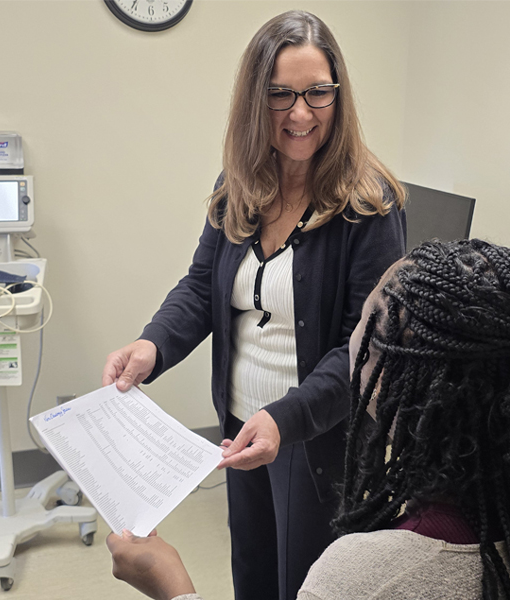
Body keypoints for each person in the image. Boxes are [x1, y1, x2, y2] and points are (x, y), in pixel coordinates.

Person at [106, 239, 510, 600]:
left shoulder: (357, 578)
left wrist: (171, 585)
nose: (349, 343)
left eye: (363, 328)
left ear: (391, 383)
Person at [102, 10, 406, 600]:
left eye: (317, 93)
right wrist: (151, 345)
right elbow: (201, 286)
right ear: (254, 101)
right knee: (254, 575)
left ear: (338, 96)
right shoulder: (239, 183)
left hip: (314, 439)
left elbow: (363, 350)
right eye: (280, 95)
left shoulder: (368, 205)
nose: (301, 113)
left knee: (303, 585)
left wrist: (284, 419)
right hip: (241, 428)